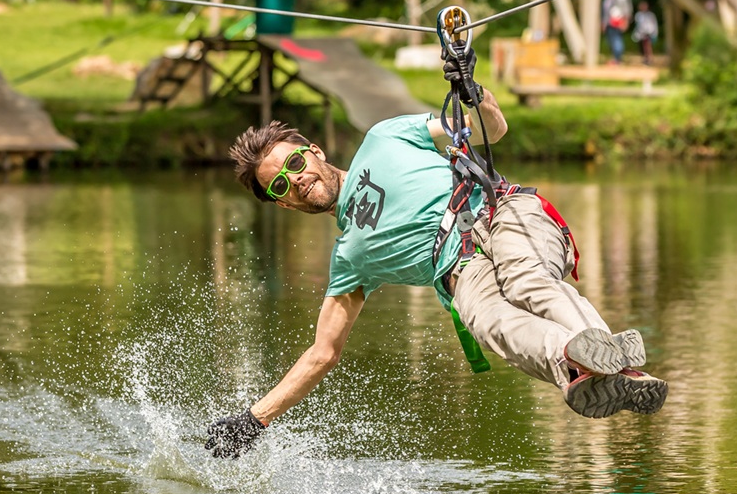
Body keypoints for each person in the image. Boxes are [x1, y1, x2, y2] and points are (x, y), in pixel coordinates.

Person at [204, 50, 667, 458]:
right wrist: (254, 420)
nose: (297, 178)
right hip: (460, 268)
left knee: (528, 283)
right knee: (486, 321)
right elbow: (322, 353)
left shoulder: (383, 138)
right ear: (284, 202)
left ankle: (608, 358)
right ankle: (581, 360)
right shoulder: (349, 258)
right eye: (281, 184)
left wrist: (471, 88)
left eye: (295, 163)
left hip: (499, 212)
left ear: (314, 151)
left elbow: (493, 128)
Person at [601, 0, 633, 65]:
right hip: (609, 23)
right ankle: (615, 58)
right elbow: (605, 11)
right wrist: (603, 23)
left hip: (618, 22)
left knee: (617, 40)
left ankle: (618, 59)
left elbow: (627, 9)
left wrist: (626, 21)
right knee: (611, 41)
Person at [631, 0, 659, 65]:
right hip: (641, 34)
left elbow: (654, 24)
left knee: (648, 46)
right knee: (642, 47)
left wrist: (654, 32)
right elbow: (637, 25)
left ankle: (650, 58)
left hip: (649, 33)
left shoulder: (651, 15)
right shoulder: (638, 15)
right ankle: (645, 58)